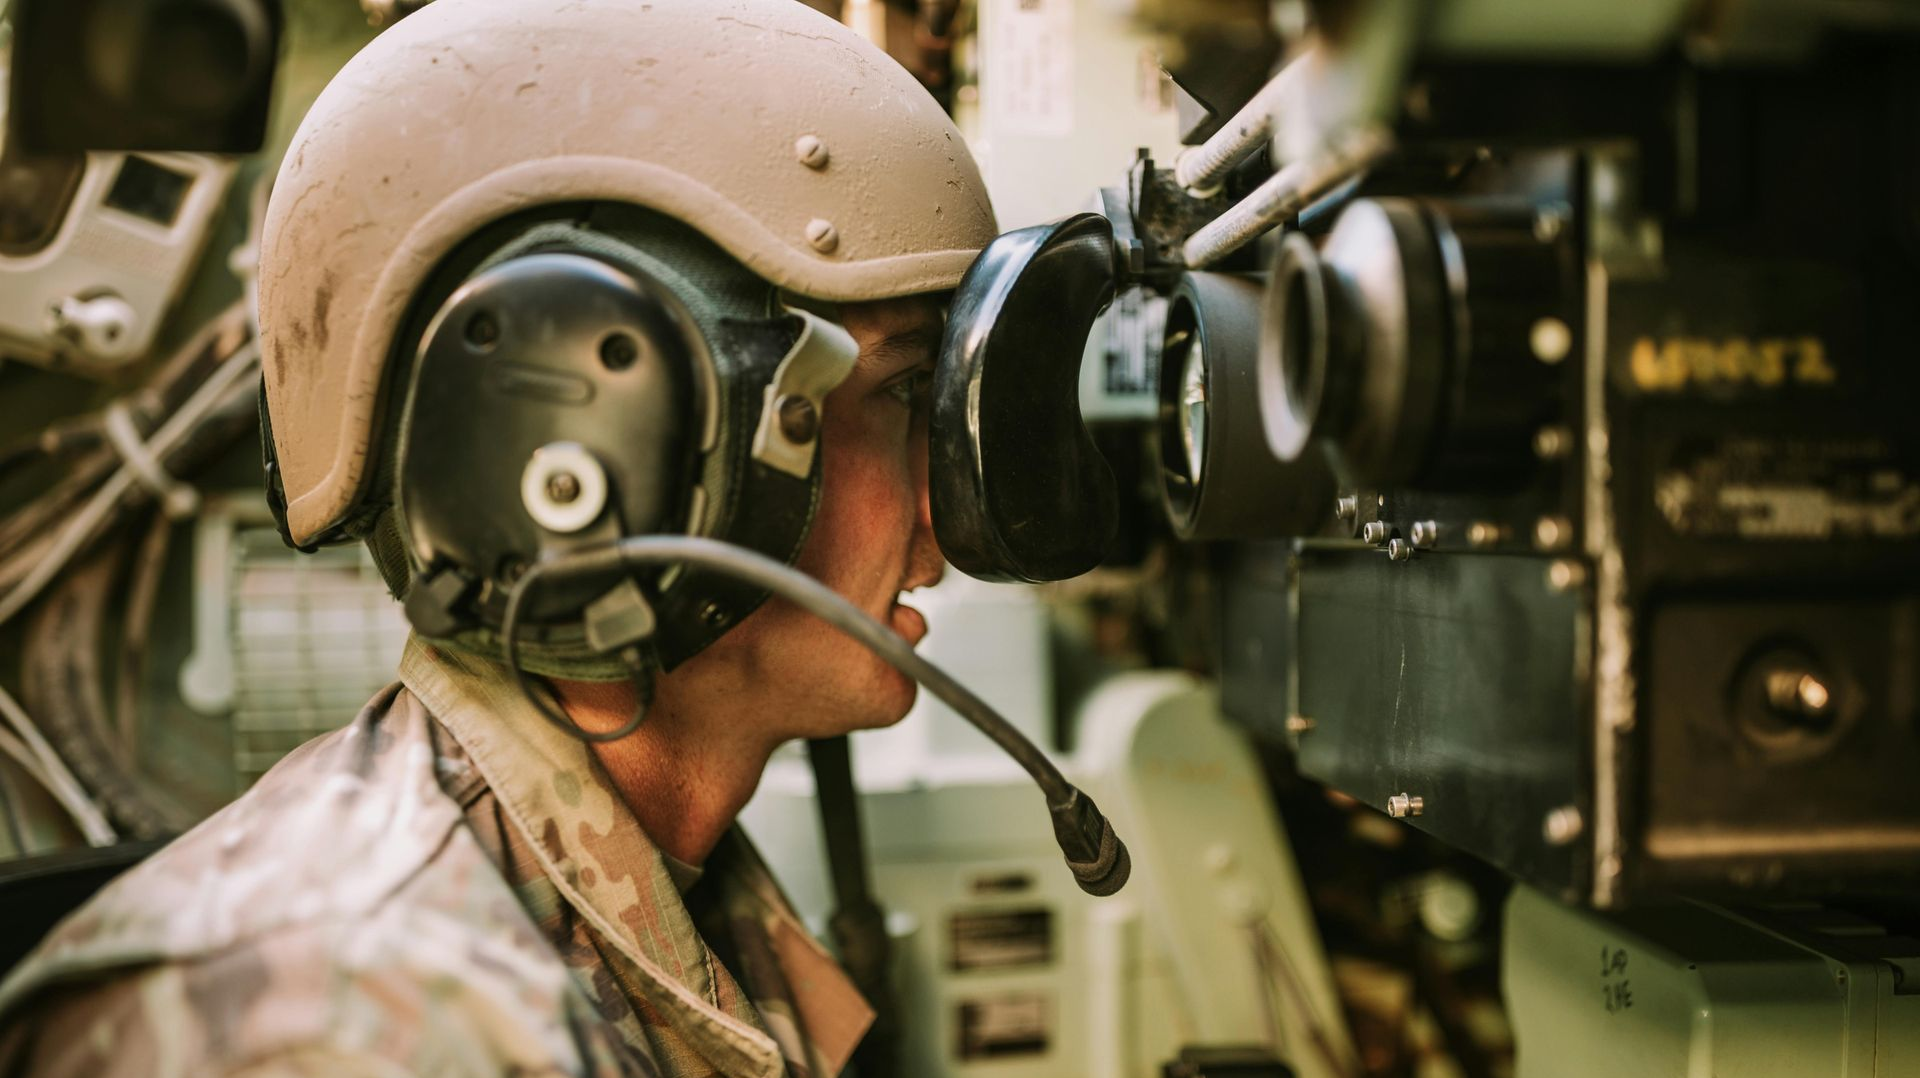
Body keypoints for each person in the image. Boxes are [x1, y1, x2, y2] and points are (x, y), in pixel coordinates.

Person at [0, 0, 1000, 1074]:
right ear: (600, 439)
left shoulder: (675, 912)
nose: (940, 509)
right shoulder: (325, 1028)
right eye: (900, 395)